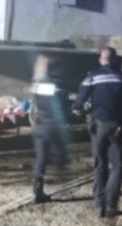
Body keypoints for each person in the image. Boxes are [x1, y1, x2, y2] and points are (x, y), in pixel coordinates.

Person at [73, 47, 122, 219]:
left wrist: (78, 108)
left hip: (98, 125)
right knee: (117, 166)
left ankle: (99, 205)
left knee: (100, 164)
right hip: (119, 126)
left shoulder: (92, 77)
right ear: (115, 60)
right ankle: (111, 205)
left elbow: (78, 103)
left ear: (101, 59)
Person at [29, 54, 70, 204]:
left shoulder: (37, 85)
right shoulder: (58, 86)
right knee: (62, 150)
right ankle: (60, 169)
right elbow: (64, 105)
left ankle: (38, 191)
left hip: (39, 124)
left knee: (40, 159)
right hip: (52, 126)